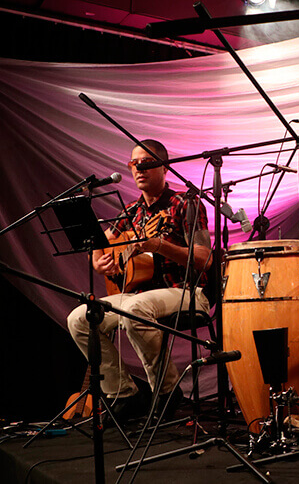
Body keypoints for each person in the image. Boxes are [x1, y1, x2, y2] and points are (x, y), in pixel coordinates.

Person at [67, 139, 213, 423]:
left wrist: (160, 246)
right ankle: (123, 394)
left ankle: (167, 391)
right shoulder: (132, 211)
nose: (138, 169)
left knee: (136, 310)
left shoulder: (186, 203)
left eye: (146, 163)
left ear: (164, 167)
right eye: (134, 164)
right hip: (140, 293)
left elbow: (203, 257)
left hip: (186, 290)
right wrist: (97, 262)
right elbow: (99, 243)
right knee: (80, 318)